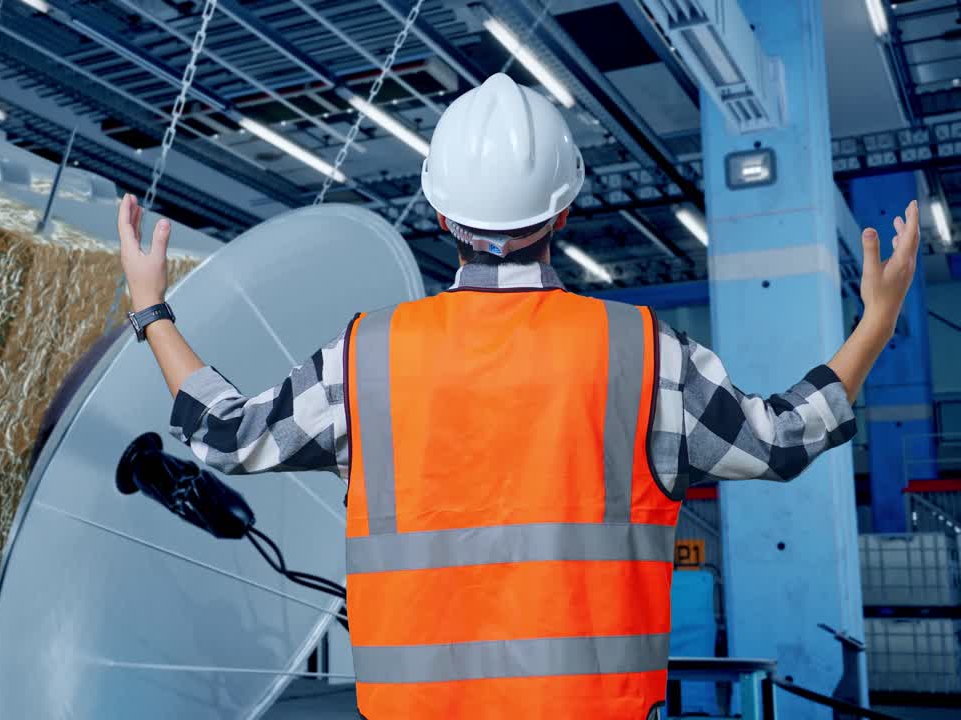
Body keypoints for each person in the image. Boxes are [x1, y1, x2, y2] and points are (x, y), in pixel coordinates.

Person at [115, 73, 919, 719]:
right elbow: (781, 440)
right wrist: (875, 325)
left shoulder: (364, 359)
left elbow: (223, 436)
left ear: (438, 211)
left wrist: (153, 311)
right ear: (565, 208)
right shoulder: (642, 352)